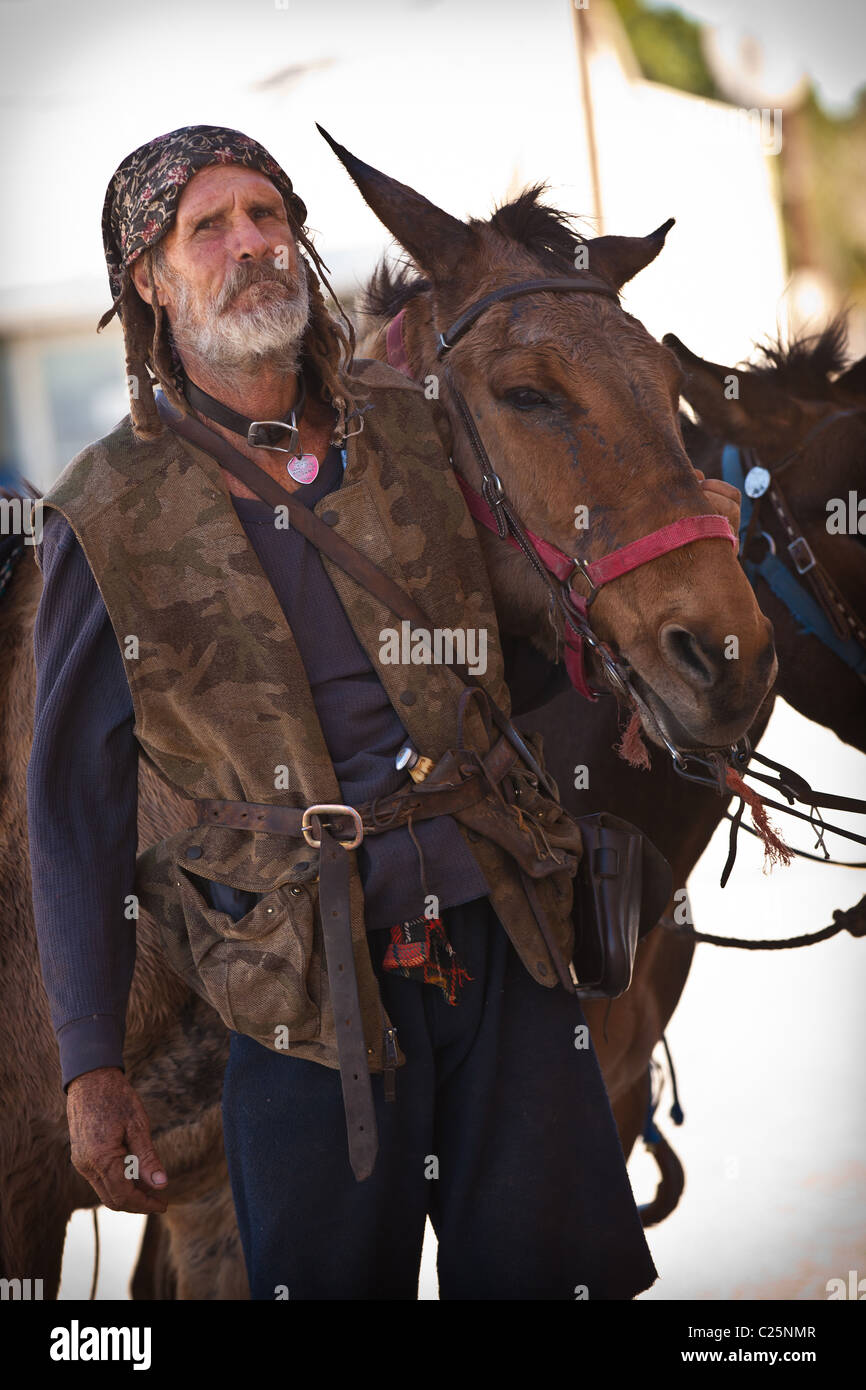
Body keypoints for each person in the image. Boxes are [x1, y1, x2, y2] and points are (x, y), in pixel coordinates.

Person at [27, 124, 658, 1300]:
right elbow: (73, 808)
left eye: (268, 216)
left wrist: (625, 649)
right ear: (150, 284)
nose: (250, 244)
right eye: (206, 229)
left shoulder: (418, 420)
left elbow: (540, 590)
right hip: (294, 980)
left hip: (499, 923)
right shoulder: (104, 516)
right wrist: (89, 1064)